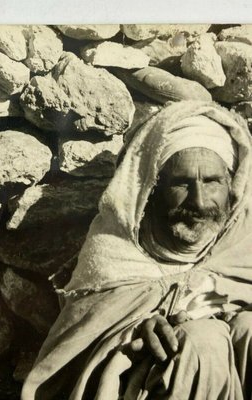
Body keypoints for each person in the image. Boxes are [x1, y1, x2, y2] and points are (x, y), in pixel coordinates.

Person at [21, 100, 252, 400]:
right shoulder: (114, 254)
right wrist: (133, 330)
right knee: (202, 342)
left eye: (212, 181)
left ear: (232, 185)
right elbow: (72, 357)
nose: (198, 201)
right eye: (181, 183)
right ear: (152, 188)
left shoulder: (241, 244)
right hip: (135, 383)